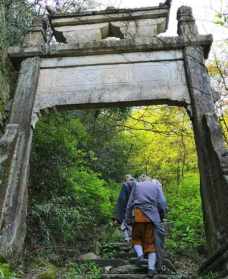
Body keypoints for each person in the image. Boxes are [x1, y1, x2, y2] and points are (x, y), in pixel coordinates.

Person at [126, 174, 167, 277]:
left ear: (141, 180)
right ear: (150, 180)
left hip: (138, 215)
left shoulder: (136, 185)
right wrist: (161, 216)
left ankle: (140, 256)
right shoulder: (156, 186)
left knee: (136, 238)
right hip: (152, 217)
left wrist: (128, 218)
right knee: (151, 244)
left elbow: (130, 203)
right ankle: (151, 269)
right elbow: (162, 203)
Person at [114, 174, 136, 242]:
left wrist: (118, 213)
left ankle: (127, 238)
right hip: (136, 207)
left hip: (126, 207)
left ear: (126, 179)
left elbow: (122, 199)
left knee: (124, 222)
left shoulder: (125, 185)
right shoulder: (137, 184)